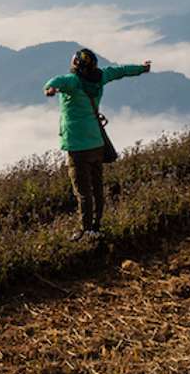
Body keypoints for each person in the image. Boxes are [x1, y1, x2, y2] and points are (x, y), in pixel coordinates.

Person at [44, 48, 150, 241]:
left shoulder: (72, 81)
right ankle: (96, 226)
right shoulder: (101, 77)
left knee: (83, 192)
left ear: (76, 65)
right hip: (96, 142)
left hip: (77, 145)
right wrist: (142, 68)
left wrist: (50, 90)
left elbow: (54, 82)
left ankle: (86, 231)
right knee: (97, 187)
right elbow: (121, 71)